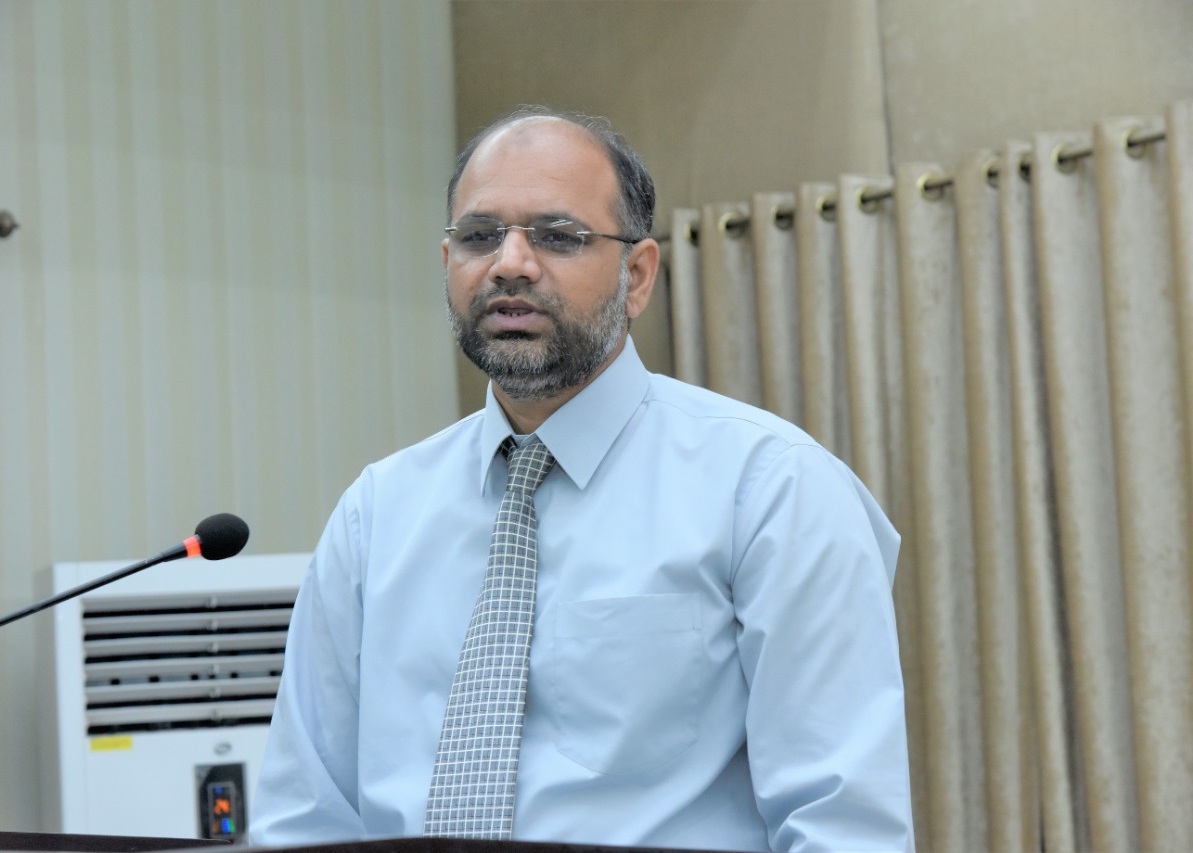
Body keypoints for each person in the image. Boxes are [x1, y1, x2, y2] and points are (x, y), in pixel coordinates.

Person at [250, 107, 914, 852]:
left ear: (638, 276)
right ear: (447, 263)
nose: (510, 263)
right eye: (479, 236)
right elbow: (303, 819)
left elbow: (841, 825)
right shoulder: (376, 513)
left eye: (558, 235)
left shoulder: (770, 489)